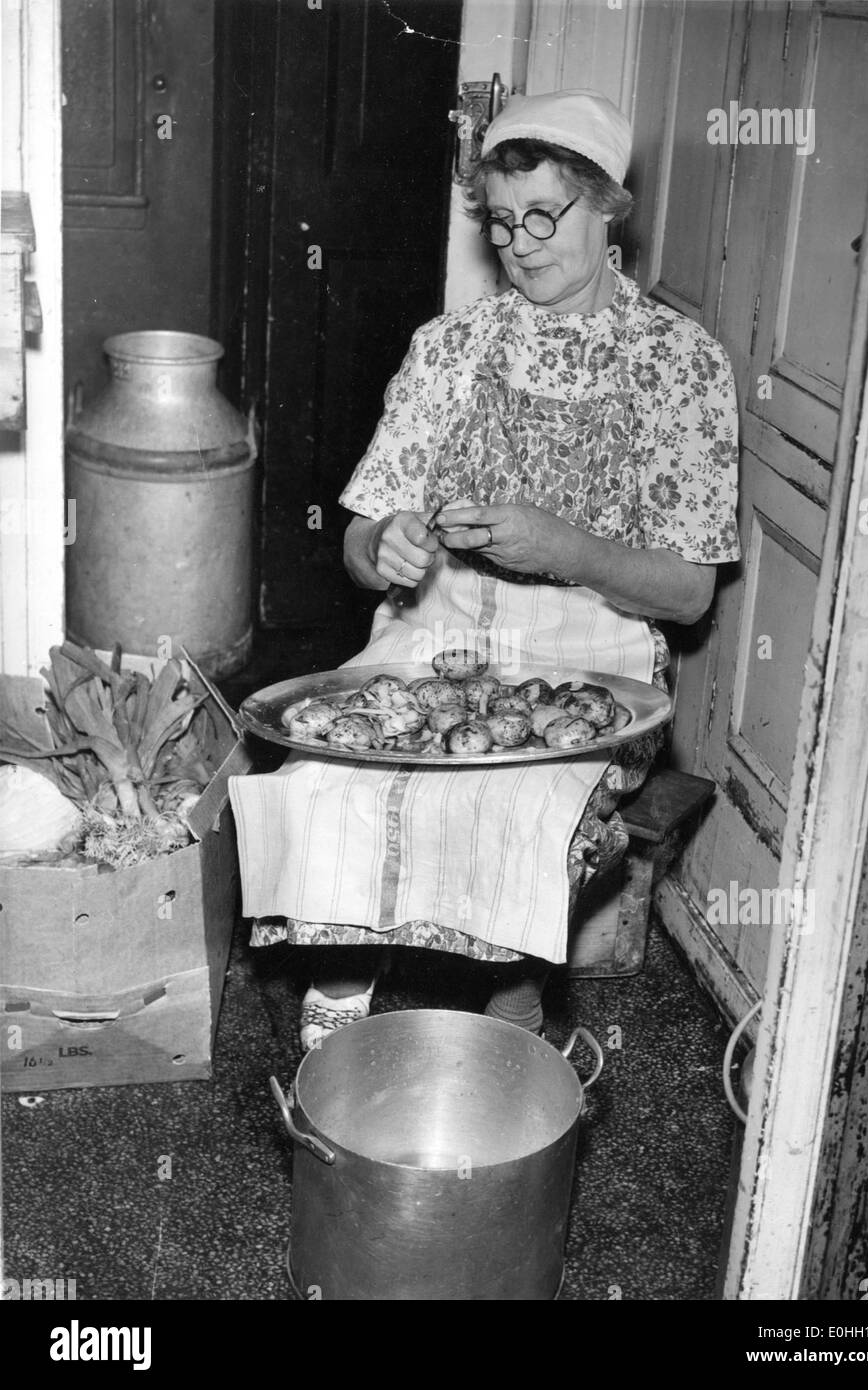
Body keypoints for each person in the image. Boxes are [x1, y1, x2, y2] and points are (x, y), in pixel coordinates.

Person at [230, 89, 739, 1049]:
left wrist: (566, 550)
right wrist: (380, 548)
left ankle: (510, 996)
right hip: (439, 624)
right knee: (325, 771)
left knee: (514, 792)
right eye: (503, 223)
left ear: (607, 207)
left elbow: (689, 593)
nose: (520, 243)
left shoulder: (680, 364)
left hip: (593, 648)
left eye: (545, 215)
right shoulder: (450, 347)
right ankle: (343, 968)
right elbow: (359, 536)